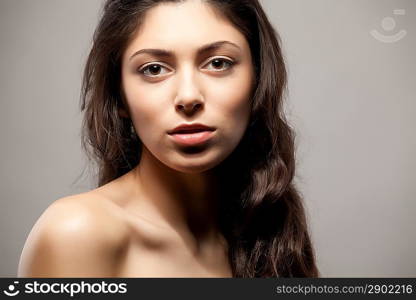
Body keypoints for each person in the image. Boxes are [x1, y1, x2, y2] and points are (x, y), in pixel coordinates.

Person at [18, 0, 319, 277]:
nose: (188, 97)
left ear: (258, 80)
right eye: (154, 69)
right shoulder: (76, 234)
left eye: (218, 63)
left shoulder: (271, 232)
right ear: (119, 96)